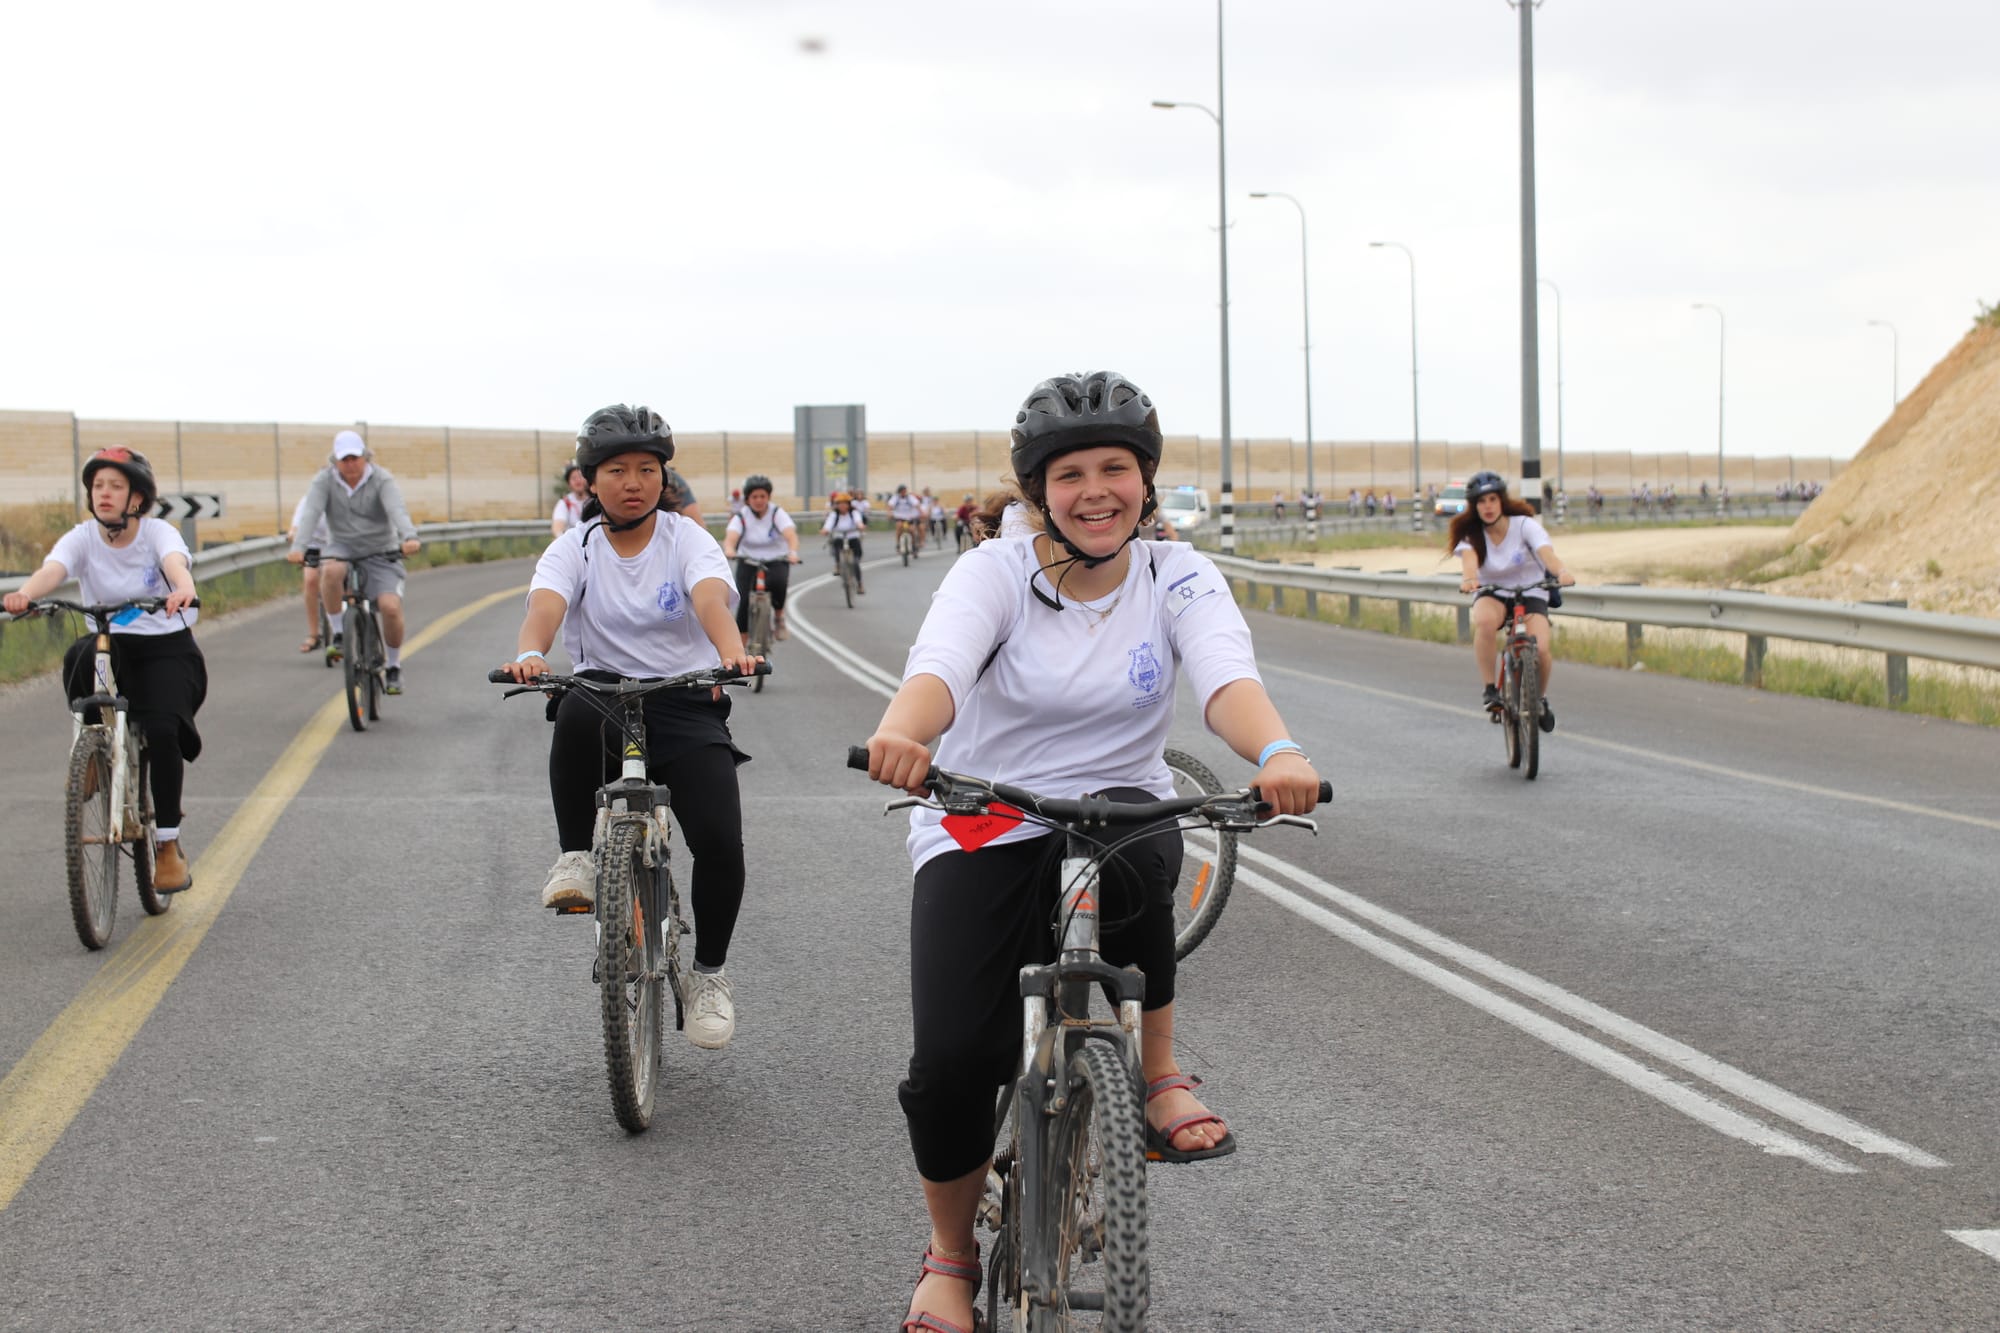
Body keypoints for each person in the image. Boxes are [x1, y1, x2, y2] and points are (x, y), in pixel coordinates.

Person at [860, 371, 1322, 1333]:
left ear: (1145, 481)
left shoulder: (1176, 574)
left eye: (1116, 468)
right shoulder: (993, 573)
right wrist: (905, 732)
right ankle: (950, 1258)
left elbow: (1226, 681)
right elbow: (940, 668)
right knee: (954, 1061)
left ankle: (1155, 1073)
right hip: (986, 815)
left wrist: (1277, 751)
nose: (1096, 491)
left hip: (1118, 809)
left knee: (1137, 844)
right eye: (1070, 474)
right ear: (1038, 491)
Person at [497, 404, 758, 1049]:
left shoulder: (685, 538)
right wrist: (531, 652)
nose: (633, 482)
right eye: (616, 470)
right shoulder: (576, 545)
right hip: (606, 697)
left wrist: (731, 650)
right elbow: (546, 606)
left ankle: (709, 977)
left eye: (647, 469)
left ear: (664, 477)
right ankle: (576, 855)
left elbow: (709, 598)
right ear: (591, 480)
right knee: (574, 707)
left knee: (720, 841)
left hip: (683, 698)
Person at [5, 448, 205, 893]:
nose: (105, 494)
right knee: (79, 654)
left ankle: (168, 845)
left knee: (163, 729)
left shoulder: (157, 533)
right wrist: (25, 594)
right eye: (98, 486)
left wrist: (183, 588)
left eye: (116, 486)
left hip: (165, 645)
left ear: (137, 497)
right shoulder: (82, 537)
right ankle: (94, 746)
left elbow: (175, 563)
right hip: (111, 643)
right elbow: (53, 570)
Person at [286, 431, 422, 694]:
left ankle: (393, 666)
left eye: (354, 458)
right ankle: (338, 633)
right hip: (342, 546)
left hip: (380, 549)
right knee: (331, 570)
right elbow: (311, 513)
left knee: (390, 607)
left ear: (365, 457)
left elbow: (397, 510)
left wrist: (409, 537)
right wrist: (298, 548)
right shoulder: (324, 480)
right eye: (344, 459)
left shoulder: (381, 479)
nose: (350, 465)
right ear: (335, 461)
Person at [1450, 471, 1577, 732]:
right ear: (1474, 506)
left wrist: (1562, 572)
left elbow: (1547, 554)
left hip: (1531, 590)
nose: (1488, 507)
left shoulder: (1524, 525)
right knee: (1485, 622)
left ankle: (1539, 699)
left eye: (1492, 500)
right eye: (1481, 501)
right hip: (1493, 591)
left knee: (1541, 650)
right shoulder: (1472, 534)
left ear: (1502, 501)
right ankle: (1490, 690)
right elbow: (1469, 563)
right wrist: (1470, 580)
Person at [720, 473, 802, 640]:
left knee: (779, 584)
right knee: (743, 602)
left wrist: (793, 553)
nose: (759, 500)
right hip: (748, 560)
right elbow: (731, 538)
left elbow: (791, 535)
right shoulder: (741, 516)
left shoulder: (777, 513)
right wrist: (729, 550)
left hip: (776, 558)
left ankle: (779, 617)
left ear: (768, 497)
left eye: (762, 496)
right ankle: (741, 647)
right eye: (754, 497)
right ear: (747, 499)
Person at [288, 491, 331, 653]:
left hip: (337, 546)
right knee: (310, 580)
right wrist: (293, 535)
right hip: (313, 545)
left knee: (341, 580)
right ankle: (314, 634)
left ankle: (352, 623)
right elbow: (296, 525)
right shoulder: (308, 500)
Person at [822, 491, 867, 593]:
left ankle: (860, 584)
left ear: (849, 504)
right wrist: (825, 530)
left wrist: (860, 526)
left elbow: (858, 522)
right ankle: (838, 565)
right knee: (836, 545)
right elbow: (829, 524)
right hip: (840, 537)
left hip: (853, 537)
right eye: (840, 503)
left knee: (855, 562)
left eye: (845, 503)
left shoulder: (854, 513)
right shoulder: (834, 514)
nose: (842, 506)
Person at [550, 462, 588, 536]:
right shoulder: (565, 503)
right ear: (568, 484)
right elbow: (557, 527)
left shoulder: (596, 500)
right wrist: (561, 538)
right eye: (573, 478)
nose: (578, 480)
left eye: (580, 476)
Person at [889, 483, 924, 553]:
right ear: (899, 491)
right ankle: (898, 544)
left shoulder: (910, 497)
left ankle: (913, 545)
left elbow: (917, 504)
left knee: (912, 530)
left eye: (905, 491)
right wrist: (889, 513)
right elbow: (890, 505)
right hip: (899, 517)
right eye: (902, 491)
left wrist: (921, 512)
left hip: (909, 517)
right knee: (899, 526)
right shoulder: (896, 498)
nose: (904, 492)